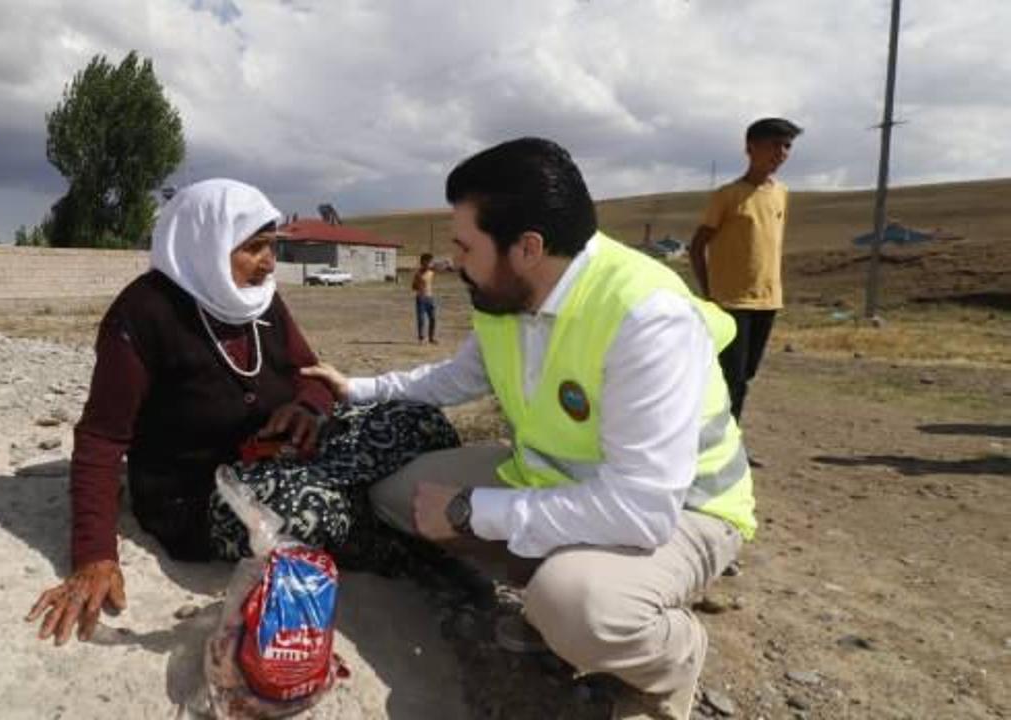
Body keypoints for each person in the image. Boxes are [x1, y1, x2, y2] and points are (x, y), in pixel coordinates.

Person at [302, 139, 756, 720]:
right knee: (401, 498)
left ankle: (667, 658)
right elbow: (457, 378)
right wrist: (357, 388)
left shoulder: (645, 316)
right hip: (552, 483)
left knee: (578, 605)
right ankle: (556, 599)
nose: (454, 262)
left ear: (527, 247)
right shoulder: (508, 295)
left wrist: (471, 511)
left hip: (686, 511)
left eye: (465, 246)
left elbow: (642, 509)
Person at [26, 179, 458, 646]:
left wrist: (306, 408)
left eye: (270, 247)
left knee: (417, 418)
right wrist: (93, 554)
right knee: (306, 510)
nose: (269, 263)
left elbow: (310, 374)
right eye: (253, 249)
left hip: (283, 451)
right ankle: (415, 551)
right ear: (204, 244)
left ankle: (380, 507)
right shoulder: (142, 315)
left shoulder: (262, 300)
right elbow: (101, 439)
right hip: (198, 494)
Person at [690, 117, 803, 422]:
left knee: (746, 375)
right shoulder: (727, 195)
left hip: (768, 300)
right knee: (731, 377)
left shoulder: (781, 193)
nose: (781, 152)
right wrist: (710, 295)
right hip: (731, 301)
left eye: (787, 146)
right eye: (774, 144)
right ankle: (718, 445)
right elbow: (697, 246)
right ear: (750, 148)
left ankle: (728, 439)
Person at [412, 252, 437, 343]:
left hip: (430, 298)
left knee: (433, 318)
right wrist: (419, 285)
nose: (430, 264)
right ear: (423, 262)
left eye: (431, 262)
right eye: (429, 262)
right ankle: (421, 338)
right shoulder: (418, 274)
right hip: (421, 298)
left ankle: (431, 338)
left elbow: (439, 267)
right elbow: (413, 287)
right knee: (421, 319)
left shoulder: (431, 272)